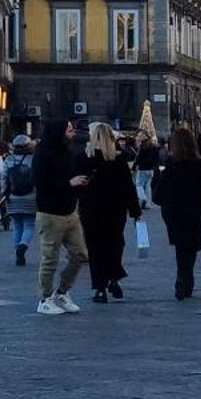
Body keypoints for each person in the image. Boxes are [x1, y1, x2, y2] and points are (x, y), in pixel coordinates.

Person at [78, 123, 142, 303]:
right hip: (115, 210)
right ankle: (114, 278)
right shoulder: (119, 161)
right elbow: (129, 188)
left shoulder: (84, 158)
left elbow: (76, 184)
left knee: (95, 248)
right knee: (114, 244)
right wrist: (135, 211)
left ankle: (99, 288)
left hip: (91, 210)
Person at [33, 118, 91, 316]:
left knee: (80, 254)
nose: (72, 132)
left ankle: (62, 292)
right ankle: (45, 298)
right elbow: (41, 183)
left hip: (70, 211)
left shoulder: (69, 151)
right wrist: (69, 183)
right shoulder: (42, 153)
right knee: (50, 258)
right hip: (50, 213)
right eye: (68, 129)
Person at [151, 127, 201, 299]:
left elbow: (157, 195)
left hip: (174, 214)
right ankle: (186, 279)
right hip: (194, 212)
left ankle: (182, 279)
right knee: (190, 248)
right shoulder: (199, 166)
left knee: (181, 247)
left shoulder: (171, 167)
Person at [2, 133, 38, 264]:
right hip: (31, 197)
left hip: (13, 197)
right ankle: (23, 245)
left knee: (17, 225)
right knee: (29, 224)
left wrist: (4, 194)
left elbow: (4, 178)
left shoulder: (9, 160)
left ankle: (18, 250)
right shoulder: (33, 159)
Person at [133, 135, 160, 206]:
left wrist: (134, 167)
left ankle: (143, 197)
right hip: (151, 169)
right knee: (148, 186)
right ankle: (148, 203)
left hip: (142, 168)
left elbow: (138, 158)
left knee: (139, 185)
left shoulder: (142, 147)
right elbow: (157, 158)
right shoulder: (154, 148)